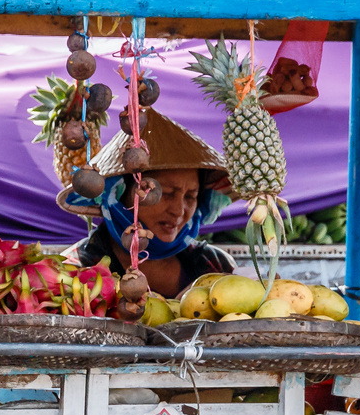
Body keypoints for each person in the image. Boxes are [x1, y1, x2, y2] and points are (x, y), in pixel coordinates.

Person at [64, 111, 236, 296]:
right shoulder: (76, 270)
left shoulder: (215, 265)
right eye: (166, 193)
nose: (178, 211)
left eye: (190, 197)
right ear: (120, 193)